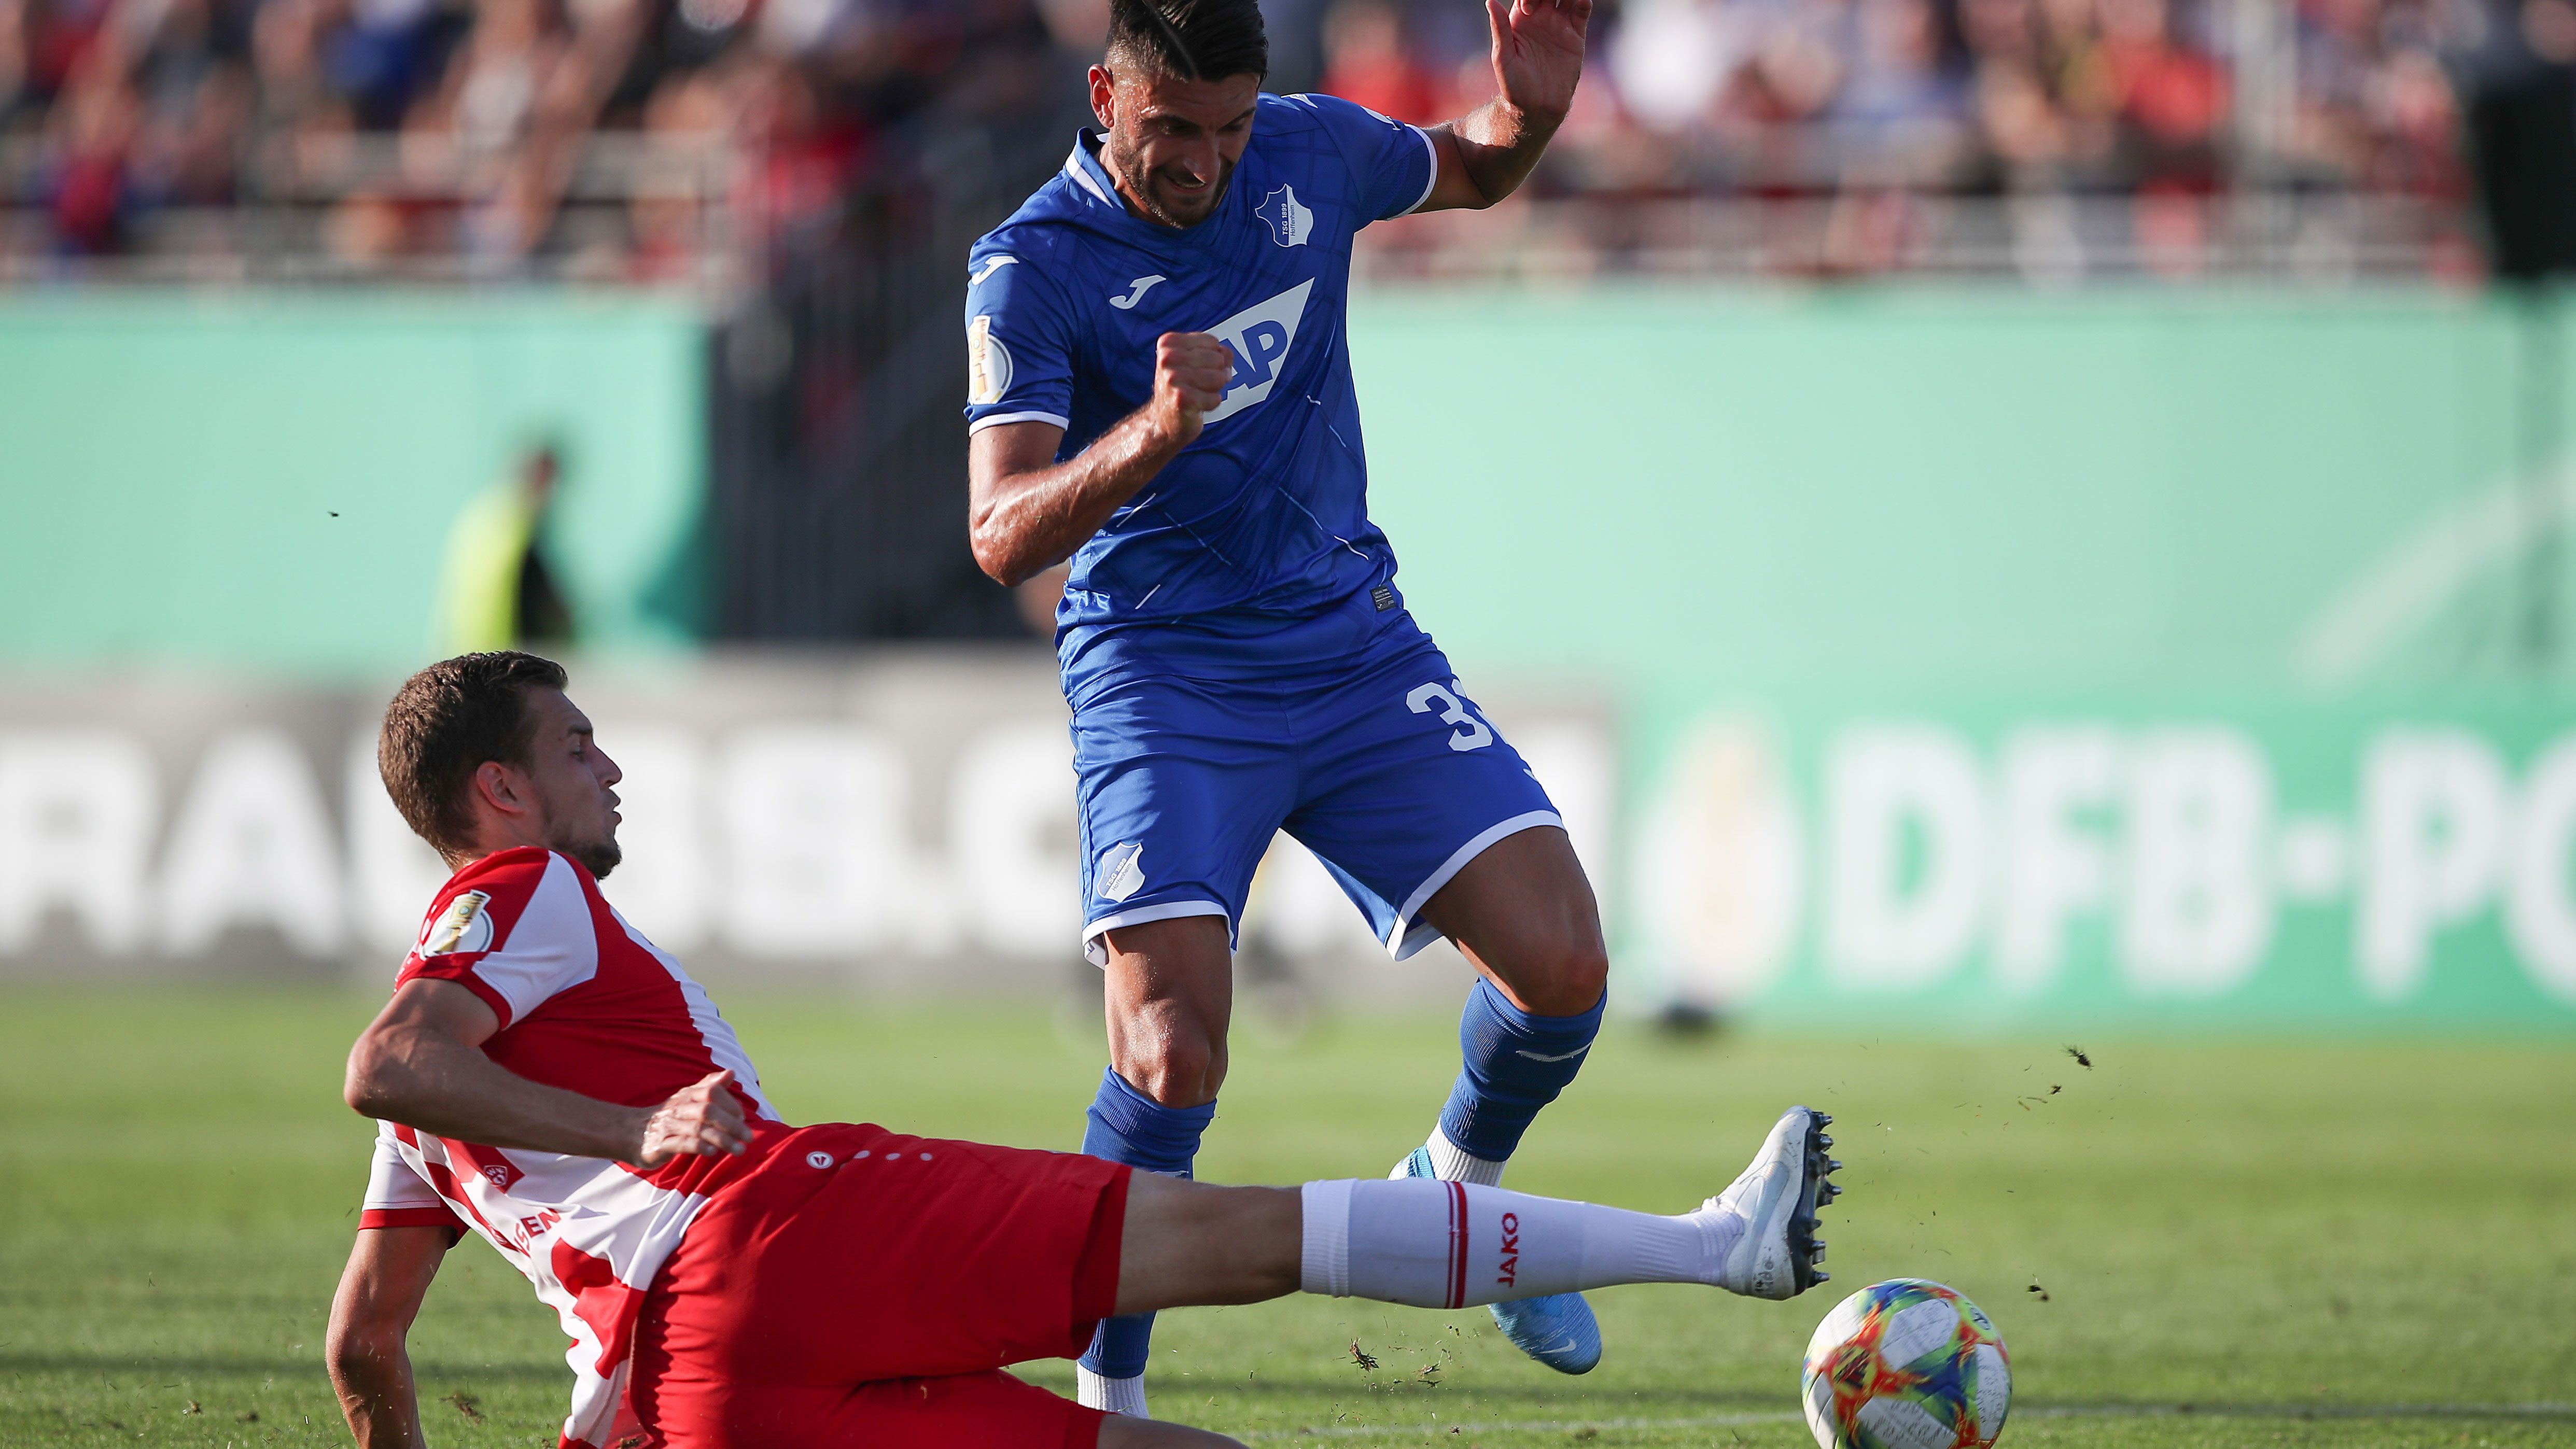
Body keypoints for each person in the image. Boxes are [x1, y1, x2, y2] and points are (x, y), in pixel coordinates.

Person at [326, 652, 1841, 1449]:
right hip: (771, 1237)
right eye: (576, 742)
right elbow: (389, 1057)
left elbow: (365, 1345)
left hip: (693, 1399)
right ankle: (1717, 1248)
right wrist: (637, 1127)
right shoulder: (513, 894)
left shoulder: (465, 1093)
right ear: (500, 794)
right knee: (1249, 1234)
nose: (611, 761)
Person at [961, 0, 1617, 1412]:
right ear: (1105, 96)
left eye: (1229, 129)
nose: (1205, 161)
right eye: (1174, 131)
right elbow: (1001, 532)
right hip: (1162, 673)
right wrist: (1144, 435)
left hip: (1346, 642)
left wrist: (1536, 108)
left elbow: (1479, 165)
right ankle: (1106, 1398)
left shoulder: (1310, 155)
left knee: (1564, 966)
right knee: (1173, 1045)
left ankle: (1455, 1183)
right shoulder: (1032, 270)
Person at [435, 443, 576, 654]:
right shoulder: (519, 525)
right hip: (501, 653)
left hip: (467, 648)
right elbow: (543, 599)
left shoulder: (483, 515)